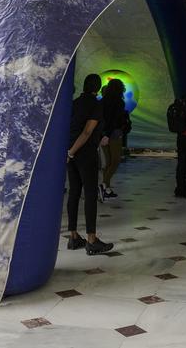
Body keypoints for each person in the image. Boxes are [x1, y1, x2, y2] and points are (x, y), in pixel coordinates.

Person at [67, 74, 113, 255]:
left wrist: (69, 152)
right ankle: (92, 240)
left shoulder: (75, 103)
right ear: (98, 88)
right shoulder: (96, 104)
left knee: (74, 192)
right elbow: (87, 132)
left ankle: (73, 237)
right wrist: (73, 151)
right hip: (85, 153)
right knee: (90, 194)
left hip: (71, 152)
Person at [99, 78, 128, 200]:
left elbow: (102, 119)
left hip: (102, 134)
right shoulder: (119, 102)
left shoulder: (102, 101)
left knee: (107, 162)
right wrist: (108, 134)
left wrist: (103, 134)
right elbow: (115, 120)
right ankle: (103, 185)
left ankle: (106, 189)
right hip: (114, 134)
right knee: (115, 161)